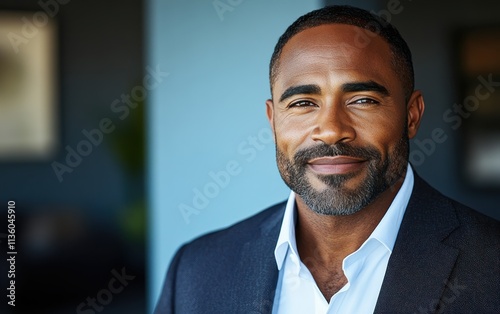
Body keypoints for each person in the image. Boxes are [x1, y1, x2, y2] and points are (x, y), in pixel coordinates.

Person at [154, 5, 500, 314]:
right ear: (273, 120)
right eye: (303, 103)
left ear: (411, 115)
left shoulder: (491, 266)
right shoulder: (197, 271)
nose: (332, 130)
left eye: (363, 100)